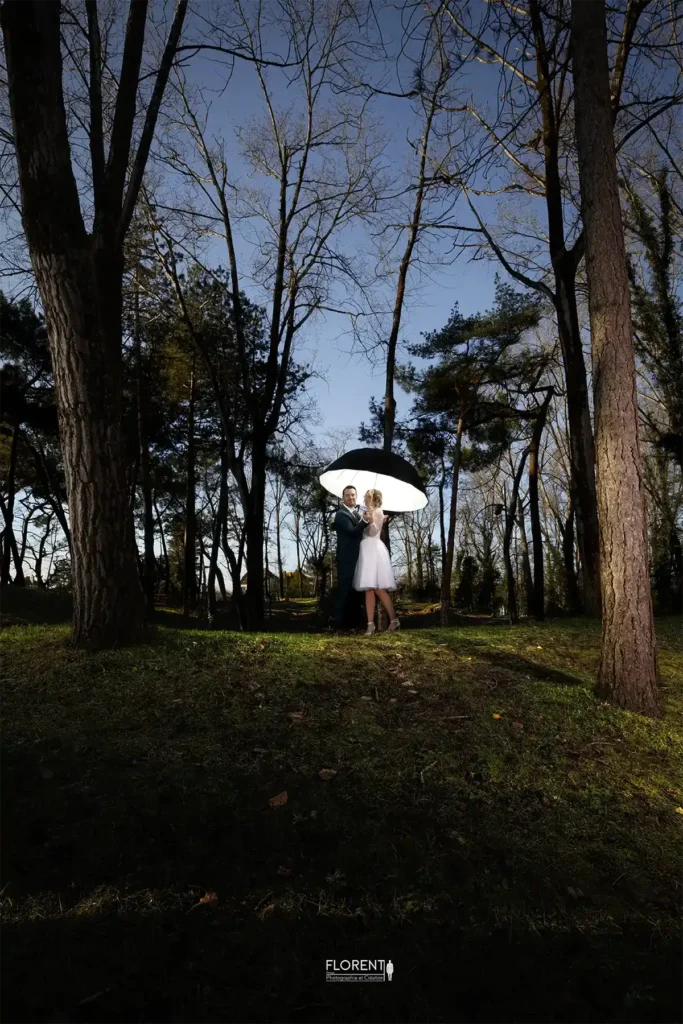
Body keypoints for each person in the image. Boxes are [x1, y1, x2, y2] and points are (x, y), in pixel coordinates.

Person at [353, 488, 399, 635]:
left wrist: (372, 519)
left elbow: (373, 533)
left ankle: (393, 620)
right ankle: (370, 624)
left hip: (374, 550)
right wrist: (365, 518)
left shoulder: (378, 512)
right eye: (365, 497)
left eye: (367, 497)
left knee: (378, 588)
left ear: (374, 499)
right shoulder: (365, 513)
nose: (365, 499)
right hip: (365, 551)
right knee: (368, 589)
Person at [330, 485, 369, 630]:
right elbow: (352, 532)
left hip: (358, 557)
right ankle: (337, 625)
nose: (351, 497)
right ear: (343, 498)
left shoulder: (357, 514)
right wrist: (364, 522)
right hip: (346, 558)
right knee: (344, 591)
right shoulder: (341, 514)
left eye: (353, 495)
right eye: (347, 495)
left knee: (355, 592)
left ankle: (353, 624)